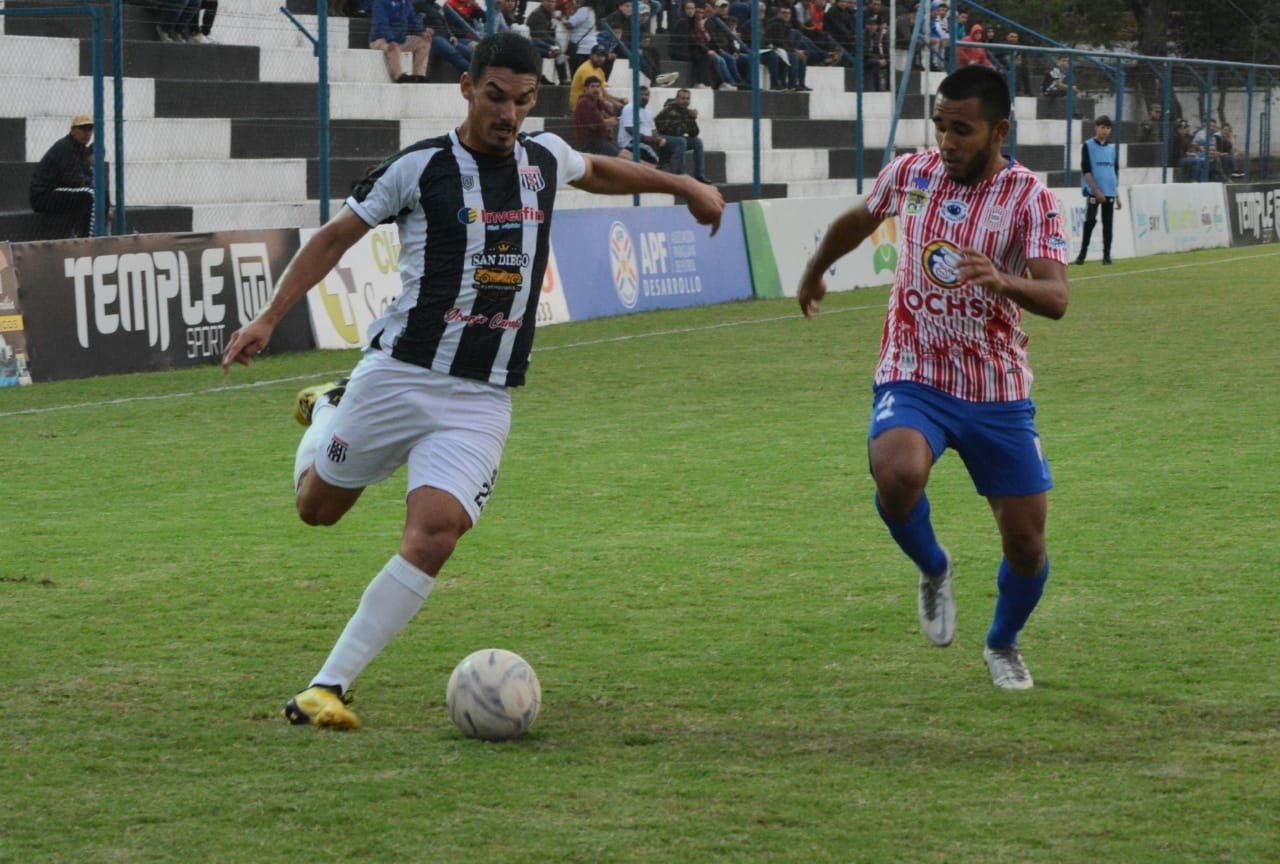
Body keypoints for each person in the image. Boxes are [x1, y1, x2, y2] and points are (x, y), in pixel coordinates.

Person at [220, 32, 724, 730]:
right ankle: (332, 408)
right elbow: (335, 237)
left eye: (521, 101)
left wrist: (685, 186)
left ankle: (327, 687)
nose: (508, 115)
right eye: (495, 97)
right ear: (466, 87)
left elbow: (599, 171)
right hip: (399, 375)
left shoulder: (544, 158)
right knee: (317, 511)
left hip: (482, 396)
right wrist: (270, 318)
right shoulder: (420, 167)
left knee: (435, 535)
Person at [796, 65, 1069, 691]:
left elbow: (1056, 298)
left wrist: (1004, 280)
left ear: (998, 130)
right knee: (896, 473)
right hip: (913, 370)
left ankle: (1002, 644)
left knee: (1026, 546)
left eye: (963, 130)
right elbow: (857, 221)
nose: (947, 141)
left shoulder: (1030, 197)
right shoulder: (912, 173)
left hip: (996, 387)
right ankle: (934, 566)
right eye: (941, 126)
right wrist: (816, 269)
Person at [29, 115, 101, 238]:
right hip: (44, 196)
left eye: (90, 129)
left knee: (101, 194)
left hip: (61, 192)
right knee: (91, 194)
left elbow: (85, 178)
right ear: (73, 131)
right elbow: (72, 179)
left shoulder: (81, 150)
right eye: (83, 129)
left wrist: (107, 205)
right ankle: (88, 239)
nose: (87, 133)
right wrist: (88, 184)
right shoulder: (64, 147)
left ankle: (100, 234)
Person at [1075, 115, 1120, 266]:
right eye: (1102, 127)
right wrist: (1096, 190)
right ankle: (1082, 255)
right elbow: (1086, 170)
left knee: (1108, 224)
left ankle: (1106, 256)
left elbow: (1114, 171)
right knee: (1090, 221)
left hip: (1110, 192)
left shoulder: (1112, 149)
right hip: (1094, 191)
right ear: (1096, 127)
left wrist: (1117, 194)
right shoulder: (1088, 146)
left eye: (1107, 128)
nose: (1105, 131)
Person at [654, 88, 711, 182]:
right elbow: (674, 132)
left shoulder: (686, 111)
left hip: (673, 139)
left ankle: (699, 175)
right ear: (677, 99)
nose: (685, 101)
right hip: (660, 138)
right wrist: (688, 118)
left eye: (687, 99)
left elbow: (694, 133)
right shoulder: (670, 110)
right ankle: (679, 174)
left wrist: (692, 119)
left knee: (698, 142)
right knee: (681, 141)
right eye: (683, 98)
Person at [370, 0, 431, 82]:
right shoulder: (380, 2)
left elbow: (413, 19)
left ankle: (418, 76)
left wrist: (422, 32)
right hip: (380, 40)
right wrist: (390, 39)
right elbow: (382, 23)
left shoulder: (405, 2)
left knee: (424, 43)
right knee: (394, 47)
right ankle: (399, 77)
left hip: (400, 40)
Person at [569, 44, 628, 114]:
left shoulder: (599, 71)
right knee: (613, 107)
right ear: (590, 56)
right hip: (580, 106)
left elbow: (604, 94)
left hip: (593, 102)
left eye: (603, 56)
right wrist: (614, 104)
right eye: (598, 56)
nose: (601, 58)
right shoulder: (586, 69)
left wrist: (618, 99)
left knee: (625, 105)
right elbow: (594, 95)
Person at [525, 0, 573, 83]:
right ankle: (563, 79)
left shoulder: (547, 14)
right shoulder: (538, 14)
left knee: (570, 48)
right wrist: (555, 42)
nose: (552, 4)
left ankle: (566, 77)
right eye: (549, 2)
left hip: (542, 41)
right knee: (557, 50)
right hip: (534, 42)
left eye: (553, 2)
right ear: (543, 2)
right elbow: (540, 34)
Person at [573, 75, 622, 155]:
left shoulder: (598, 101)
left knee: (627, 155)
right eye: (592, 86)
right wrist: (605, 121)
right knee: (623, 157)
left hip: (602, 142)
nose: (596, 89)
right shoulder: (584, 102)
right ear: (586, 89)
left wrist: (606, 121)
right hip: (590, 144)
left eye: (598, 86)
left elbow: (613, 118)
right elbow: (597, 124)